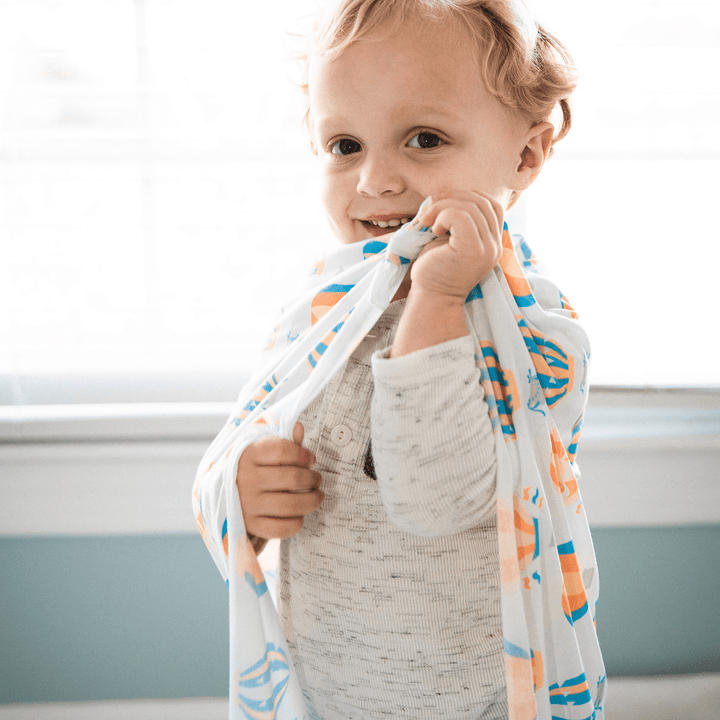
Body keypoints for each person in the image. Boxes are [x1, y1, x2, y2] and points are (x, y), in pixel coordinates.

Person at [193, 1, 605, 719]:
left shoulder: (540, 334)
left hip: (481, 693)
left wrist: (440, 297)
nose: (376, 180)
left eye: (423, 138)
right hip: (327, 685)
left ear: (527, 154)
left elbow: (437, 498)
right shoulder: (321, 313)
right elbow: (237, 443)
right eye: (345, 145)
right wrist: (241, 490)